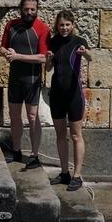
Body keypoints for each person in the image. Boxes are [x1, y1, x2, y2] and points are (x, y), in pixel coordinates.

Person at [0, 0, 50, 167]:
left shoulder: (42, 28)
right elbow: (3, 48)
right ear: (21, 8)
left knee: (32, 116)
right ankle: (16, 150)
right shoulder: (11, 25)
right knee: (14, 115)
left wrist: (18, 56)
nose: (29, 12)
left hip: (32, 79)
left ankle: (35, 155)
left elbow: (43, 58)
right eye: (26, 9)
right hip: (15, 77)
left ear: (37, 10)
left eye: (32, 9)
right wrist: (6, 53)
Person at [45, 10, 92, 191]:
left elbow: (90, 57)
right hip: (57, 94)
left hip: (74, 95)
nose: (64, 28)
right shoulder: (53, 42)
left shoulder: (79, 42)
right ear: (57, 26)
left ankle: (77, 175)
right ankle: (64, 172)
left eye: (67, 25)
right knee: (60, 135)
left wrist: (85, 53)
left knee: (75, 135)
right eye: (61, 25)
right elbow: (49, 68)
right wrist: (48, 60)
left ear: (72, 25)